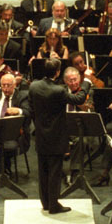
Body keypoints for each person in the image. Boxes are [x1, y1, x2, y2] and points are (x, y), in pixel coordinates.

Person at [28, 58, 89, 213]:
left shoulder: (34, 86)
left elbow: (31, 109)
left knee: (43, 171)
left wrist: (39, 125)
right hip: (56, 136)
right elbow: (79, 99)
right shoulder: (59, 90)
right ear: (57, 72)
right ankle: (54, 205)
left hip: (41, 135)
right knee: (54, 172)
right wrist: (87, 81)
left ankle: (45, 203)